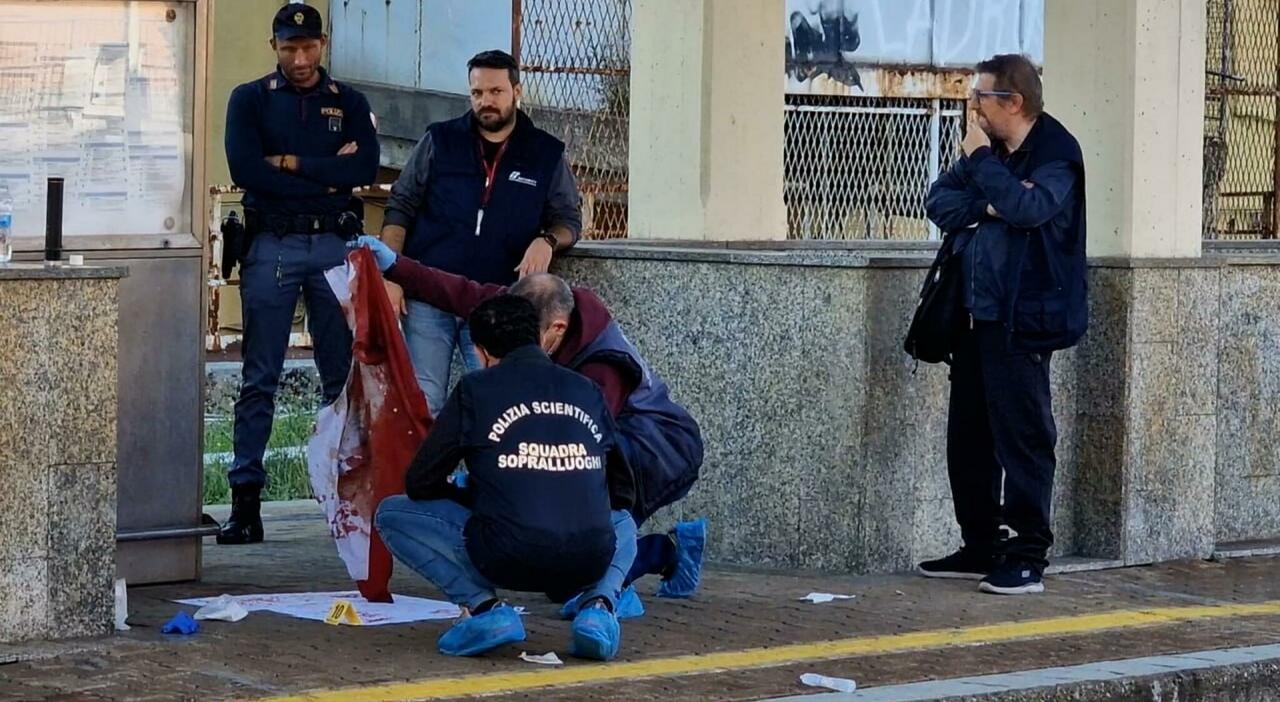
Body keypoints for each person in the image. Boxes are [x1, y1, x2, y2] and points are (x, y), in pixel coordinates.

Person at [350, 235, 707, 603]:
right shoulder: (524, 312)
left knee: (576, 559)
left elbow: (585, 451)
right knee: (559, 547)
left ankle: (665, 554)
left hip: (655, 449)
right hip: (612, 445)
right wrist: (393, 264)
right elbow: (459, 291)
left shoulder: (602, 371)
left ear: (557, 330)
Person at [374, 295, 636, 660]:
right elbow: (624, 490)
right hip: (587, 559)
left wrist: (470, 496)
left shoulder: (475, 389)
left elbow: (420, 481)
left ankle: (486, 611)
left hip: (504, 555)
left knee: (391, 513)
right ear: (540, 336)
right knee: (623, 522)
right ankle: (599, 609)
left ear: (481, 352)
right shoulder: (586, 389)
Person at [920, 54, 1087, 595]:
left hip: (1023, 320)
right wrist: (990, 202)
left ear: (1012, 103)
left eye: (981, 98)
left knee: (1023, 438)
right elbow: (939, 201)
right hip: (974, 317)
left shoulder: (1056, 153)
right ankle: (980, 545)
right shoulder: (984, 153)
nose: (972, 108)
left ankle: (1027, 554)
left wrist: (990, 185)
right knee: (967, 438)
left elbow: (1027, 209)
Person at [218, 3, 380, 545]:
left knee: (340, 378)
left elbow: (363, 170)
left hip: (333, 245)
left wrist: (288, 163)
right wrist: (325, 175)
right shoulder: (250, 99)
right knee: (259, 375)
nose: (301, 58)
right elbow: (245, 170)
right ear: (275, 47)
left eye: (309, 47)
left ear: (323, 43)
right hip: (274, 244)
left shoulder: (349, 102)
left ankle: (347, 504)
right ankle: (245, 503)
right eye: (290, 47)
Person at [377, 49, 582, 417]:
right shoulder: (440, 140)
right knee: (423, 405)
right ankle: (426, 476)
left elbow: (569, 220)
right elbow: (400, 206)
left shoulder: (545, 153)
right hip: (429, 296)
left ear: (516, 92)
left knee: (498, 407)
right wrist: (391, 274)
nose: (485, 101)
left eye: (495, 91)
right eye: (477, 93)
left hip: (496, 301)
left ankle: (486, 477)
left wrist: (548, 240)